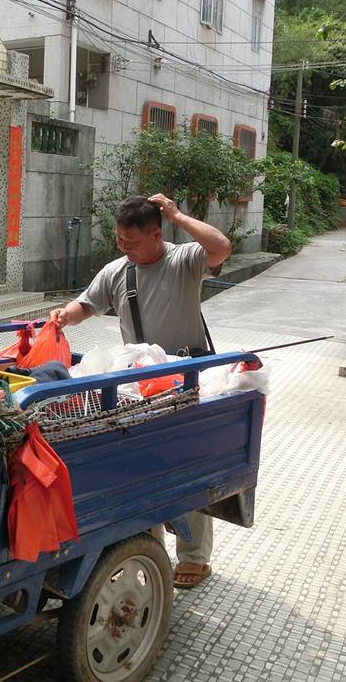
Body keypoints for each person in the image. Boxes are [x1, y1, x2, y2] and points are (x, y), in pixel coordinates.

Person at [49, 193, 231, 589]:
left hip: (185, 381)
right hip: (137, 386)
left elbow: (220, 247)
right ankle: (151, 549)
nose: (124, 247)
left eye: (131, 241)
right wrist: (66, 315)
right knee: (145, 467)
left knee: (188, 465)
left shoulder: (184, 259)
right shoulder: (117, 270)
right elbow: (87, 304)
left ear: (156, 234)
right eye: (119, 240)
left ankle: (194, 557)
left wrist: (178, 215)